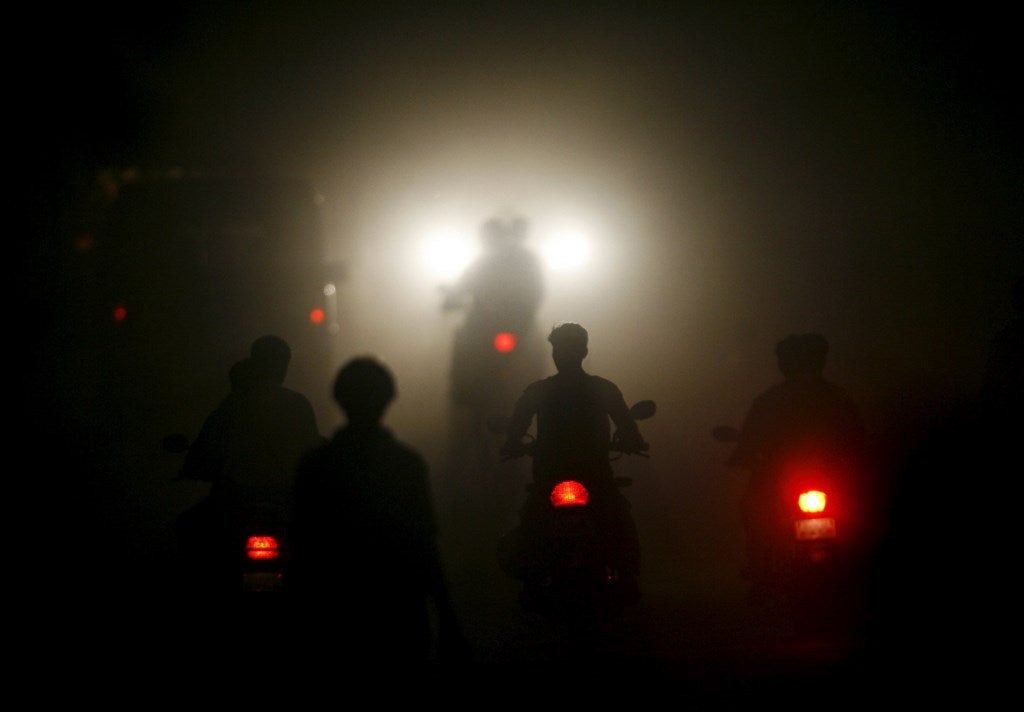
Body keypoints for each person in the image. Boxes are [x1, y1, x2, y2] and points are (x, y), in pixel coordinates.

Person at [288, 357, 468, 668]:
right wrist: (447, 616)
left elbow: (300, 543)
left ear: (339, 398)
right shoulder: (406, 464)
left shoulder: (315, 465)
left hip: (331, 612)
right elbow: (423, 545)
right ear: (389, 398)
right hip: (397, 611)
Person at [497, 322, 648, 592]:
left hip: (557, 473)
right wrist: (633, 441)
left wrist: (512, 444)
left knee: (534, 515)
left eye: (567, 349)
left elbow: (516, 428)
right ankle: (626, 575)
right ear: (584, 352)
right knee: (616, 515)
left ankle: (533, 578)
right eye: (560, 349)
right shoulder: (602, 388)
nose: (563, 355)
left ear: (580, 352)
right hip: (591, 473)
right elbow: (628, 426)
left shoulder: (539, 390)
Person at [174, 335, 323, 595]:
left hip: (235, 502)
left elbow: (206, 450)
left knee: (187, 532)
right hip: (284, 504)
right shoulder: (298, 405)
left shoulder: (233, 405)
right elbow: (313, 451)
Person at [727, 332, 866, 596]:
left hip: (797, 477)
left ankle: (760, 571)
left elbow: (749, 442)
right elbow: (857, 438)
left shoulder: (770, 400)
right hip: (813, 477)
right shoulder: (836, 397)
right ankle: (761, 569)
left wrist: (744, 455)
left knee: (753, 510)